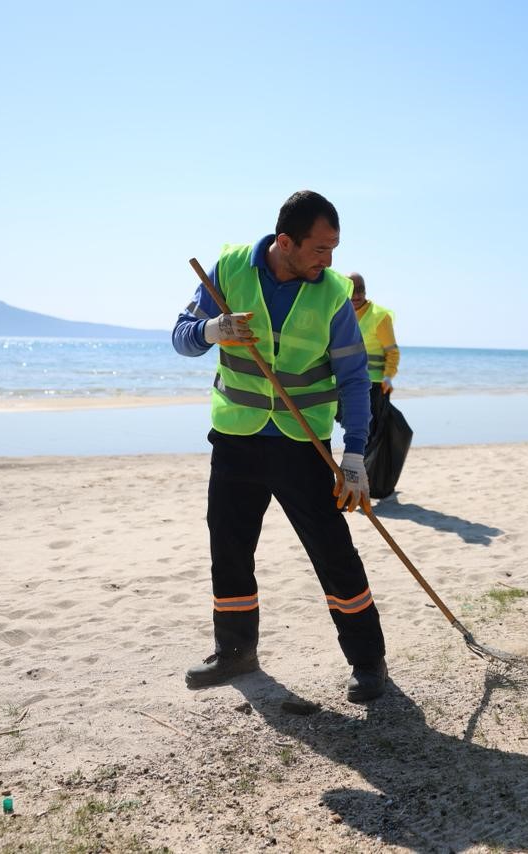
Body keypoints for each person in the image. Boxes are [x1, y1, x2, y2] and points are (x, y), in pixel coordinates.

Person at [171, 190, 388, 702]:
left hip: (302, 443)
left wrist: (354, 455)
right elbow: (181, 337)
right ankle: (235, 652)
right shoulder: (228, 271)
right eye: (319, 249)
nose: (329, 261)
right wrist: (213, 329)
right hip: (236, 440)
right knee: (229, 550)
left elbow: (354, 379)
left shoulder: (332, 293)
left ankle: (369, 661)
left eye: (334, 249)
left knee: (334, 554)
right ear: (285, 242)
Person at [348, 272, 400, 422]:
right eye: (352, 290)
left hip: (375, 386)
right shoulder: (342, 314)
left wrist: (388, 376)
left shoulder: (380, 316)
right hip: (350, 383)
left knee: (372, 433)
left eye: (360, 289)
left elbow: (392, 352)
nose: (356, 295)